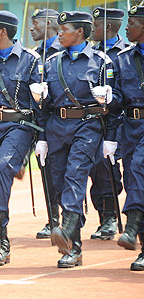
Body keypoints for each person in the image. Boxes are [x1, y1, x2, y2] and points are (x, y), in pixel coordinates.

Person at [35, 11, 118, 268]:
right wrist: (41, 99)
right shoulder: (51, 62)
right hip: (57, 127)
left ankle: (68, 235)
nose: (59, 33)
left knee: (75, 176)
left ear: (80, 32)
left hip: (87, 126)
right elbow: (44, 108)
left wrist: (108, 101)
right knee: (58, 182)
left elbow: (113, 107)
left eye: (64, 29)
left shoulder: (102, 62)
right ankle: (74, 246)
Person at [0, 10, 43, 266]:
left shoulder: (30, 60)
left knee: (3, 168)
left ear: (3, 32)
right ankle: (1, 241)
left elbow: (39, 104)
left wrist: (43, 137)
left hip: (20, 126)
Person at [88, 7, 127, 240]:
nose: (92, 30)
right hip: (96, 118)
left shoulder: (126, 52)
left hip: (122, 119)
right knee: (97, 167)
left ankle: (118, 216)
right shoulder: (91, 53)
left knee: (112, 166)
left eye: (96, 26)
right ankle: (105, 216)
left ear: (108, 27)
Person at [114, 5, 144, 271]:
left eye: (131, 22)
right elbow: (117, 97)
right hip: (131, 126)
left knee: (138, 168)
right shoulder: (123, 58)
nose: (126, 27)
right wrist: (107, 97)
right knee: (132, 178)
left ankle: (132, 225)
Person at [29, 8, 62, 239]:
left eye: (36, 23)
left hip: (66, 118)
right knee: (47, 170)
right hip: (42, 120)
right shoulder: (33, 54)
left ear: (50, 23)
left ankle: (107, 214)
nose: (31, 28)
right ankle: (53, 219)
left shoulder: (61, 50)